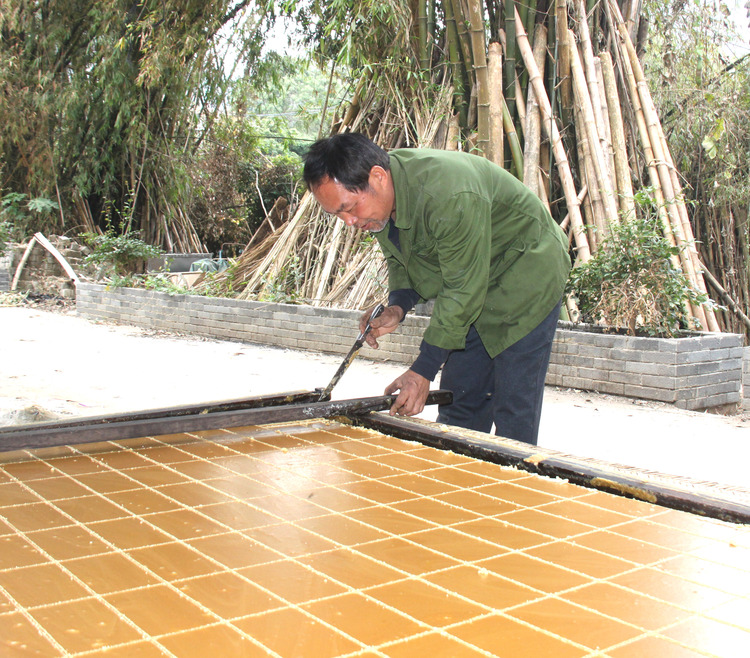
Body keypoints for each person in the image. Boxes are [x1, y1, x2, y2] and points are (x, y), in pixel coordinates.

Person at [303, 133, 570, 445]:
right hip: (472, 283)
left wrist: (423, 370)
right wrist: (397, 307)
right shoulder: (378, 205)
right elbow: (401, 259)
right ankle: (458, 488)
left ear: (377, 177)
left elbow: (461, 290)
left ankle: (516, 486)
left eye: (348, 207)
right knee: (459, 404)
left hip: (526, 273)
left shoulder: (449, 193)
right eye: (337, 214)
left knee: (513, 407)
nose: (348, 221)